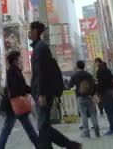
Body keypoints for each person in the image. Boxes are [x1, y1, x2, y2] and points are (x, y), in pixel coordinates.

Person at [29, 21, 81, 149]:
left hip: (44, 94)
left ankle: (71, 145)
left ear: (35, 31)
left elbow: (42, 72)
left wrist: (41, 93)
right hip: (42, 93)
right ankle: (71, 145)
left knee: (43, 127)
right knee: (44, 127)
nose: (28, 32)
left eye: (30, 30)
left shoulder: (40, 48)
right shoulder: (39, 47)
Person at [0, 50, 38, 149]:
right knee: (28, 128)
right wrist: (29, 90)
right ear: (15, 60)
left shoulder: (14, 70)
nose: (21, 59)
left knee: (8, 129)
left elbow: (19, 86)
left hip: (13, 105)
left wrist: (30, 89)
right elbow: (17, 88)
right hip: (16, 105)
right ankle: (39, 145)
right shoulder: (12, 71)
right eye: (19, 57)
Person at [69, 60, 100, 138]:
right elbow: (94, 85)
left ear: (77, 66)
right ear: (84, 66)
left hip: (80, 97)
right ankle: (97, 132)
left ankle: (87, 133)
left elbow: (70, 85)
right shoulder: (88, 74)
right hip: (89, 97)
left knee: (83, 115)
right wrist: (93, 94)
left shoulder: (74, 75)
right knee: (93, 114)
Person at [94, 58, 113, 135]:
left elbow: (101, 84)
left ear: (98, 62)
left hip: (106, 93)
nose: (95, 65)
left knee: (109, 111)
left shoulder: (100, 71)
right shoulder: (108, 70)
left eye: (95, 63)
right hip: (111, 92)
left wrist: (98, 92)